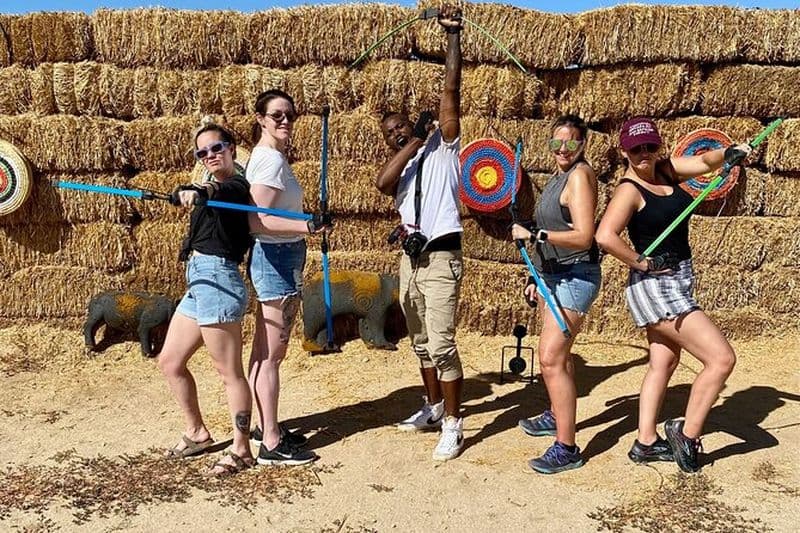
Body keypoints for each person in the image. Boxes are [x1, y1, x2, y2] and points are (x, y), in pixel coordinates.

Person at [595, 117, 751, 473]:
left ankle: (645, 442)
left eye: (650, 146)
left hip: (678, 278)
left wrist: (731, 153)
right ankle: (687, 433)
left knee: (662, 363)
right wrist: (642, 262)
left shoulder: (666, 170)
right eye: (636, 149)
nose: (644, 154)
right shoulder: (628, 190)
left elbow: (706, 162)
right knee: (721, 358)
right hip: (656, 286)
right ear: (625, 152)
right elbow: (605, 236)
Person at [375, 5, 465, 461]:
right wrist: (412, 141)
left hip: (442, 256)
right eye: (390, 132)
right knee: (421, 341)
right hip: (411, 261)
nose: (396, 135)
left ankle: (454, 422)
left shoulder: (444, 145)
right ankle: (431, 407)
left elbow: (451, 89)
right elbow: (381, 184)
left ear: (415, 122)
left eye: (401, 127)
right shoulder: (404, 165)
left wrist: (452, 38)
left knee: (444, 342)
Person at [158, 122, 255, 476]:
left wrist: (200, 192)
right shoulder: (206, 186)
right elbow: (202, 189)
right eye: (203, 152)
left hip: (219, 278)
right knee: (170, 361)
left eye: (217, 148)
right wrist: (185, 191)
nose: (211, 155)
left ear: (231, 148)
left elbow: (219, 189)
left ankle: (241, 449)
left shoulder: (236, 184)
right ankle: (197, 432)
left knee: (228, 371)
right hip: (199, 279)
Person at [511, 115, 602, 474]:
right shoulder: (557, 178)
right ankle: (556, 414)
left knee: (550, 359)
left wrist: (537, 238)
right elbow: (549, 227)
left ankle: (567, 447)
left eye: (571, 142)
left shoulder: (579, 176)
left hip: (575, 276)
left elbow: (583, 236)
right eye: (556, 143)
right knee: (558, 358)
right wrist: (537, 273)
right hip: (553, 275)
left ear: (583, 145)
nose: (563, 149)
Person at [246, 89, 330, 465]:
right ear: (261, 119)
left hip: (278, 256)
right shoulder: (269, 163)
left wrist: (302, 223)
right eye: (276, 115)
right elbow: (258, 220)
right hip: (275, 258)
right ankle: (271, 444)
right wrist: (307, 227)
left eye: (290, 116)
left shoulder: (271, 158)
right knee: (272, 356)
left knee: (263, 351)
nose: (284, 122)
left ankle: (266, 424)